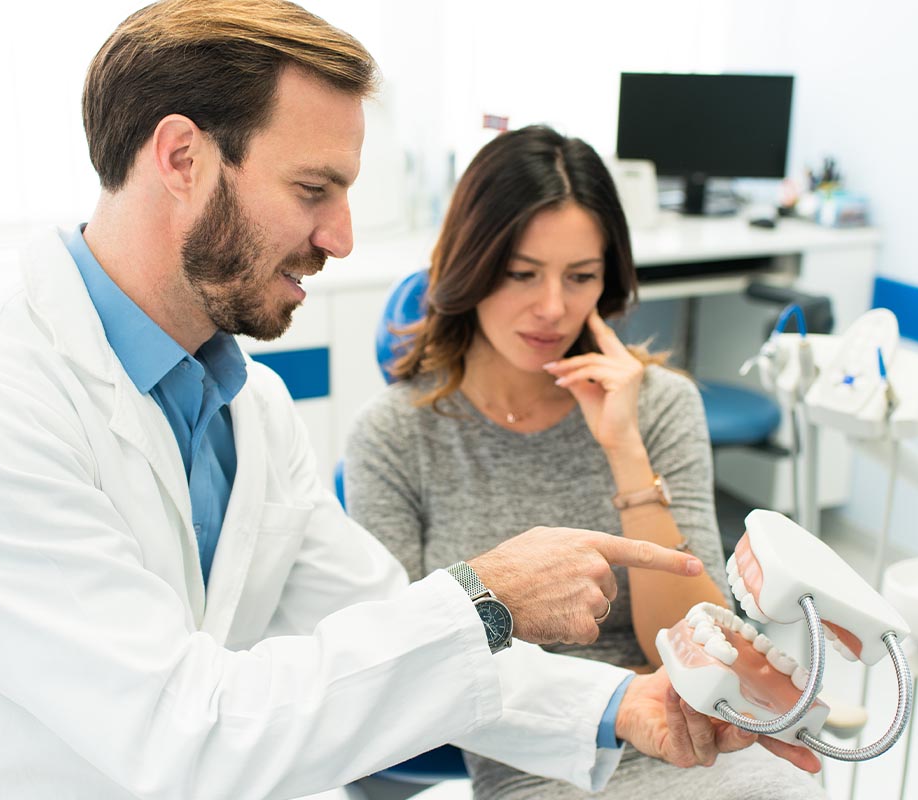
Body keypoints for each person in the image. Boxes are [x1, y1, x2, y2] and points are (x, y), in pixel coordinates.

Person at [0, 3, 816, 799]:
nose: (343, 237)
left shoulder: (245, 409)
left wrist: (618, 710)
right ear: (182, 158)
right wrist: (487, 591)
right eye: (315, 189)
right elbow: (190, 730)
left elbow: (391, 632)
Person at [344, 125, 828, 799]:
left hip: (688, 720)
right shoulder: (396, 436)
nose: (552, 308)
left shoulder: (658, 406)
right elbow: (399, 664)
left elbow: (690, 643)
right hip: (529, 748)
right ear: (469, 266)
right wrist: (609, 705)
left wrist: (626, 454)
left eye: (581, 278)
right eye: (521, 273)